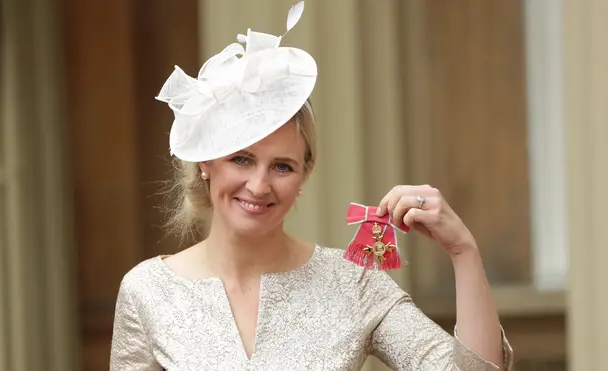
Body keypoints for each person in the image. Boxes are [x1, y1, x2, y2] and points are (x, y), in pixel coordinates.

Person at [110, 2, 513, 370]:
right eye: (241, 159)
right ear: (205, 163)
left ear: (304, 176)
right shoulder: (148, 292)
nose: (259, 184)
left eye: (281, 167)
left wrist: (463, 250)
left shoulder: (352, 282)